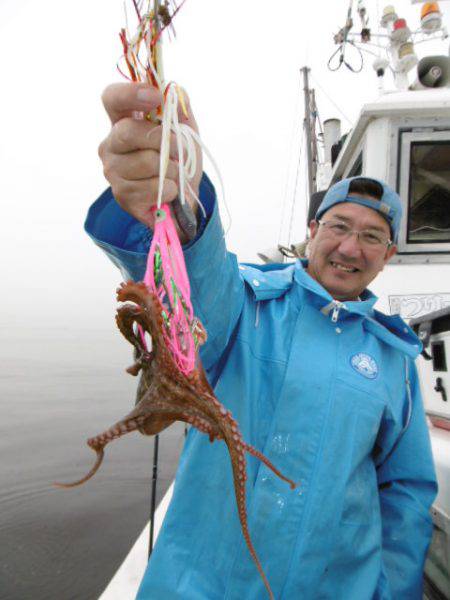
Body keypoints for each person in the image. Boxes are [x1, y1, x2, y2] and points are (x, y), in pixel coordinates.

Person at [85, 82, 437, 599]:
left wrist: (390, 589)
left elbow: (404, 494)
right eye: (339, 226)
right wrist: (169, 205)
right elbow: (188, 290)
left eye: (372, 236)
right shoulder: (246, 305)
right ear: (312, 230)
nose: (349, 247)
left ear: (387, 256)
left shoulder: (396, 360)